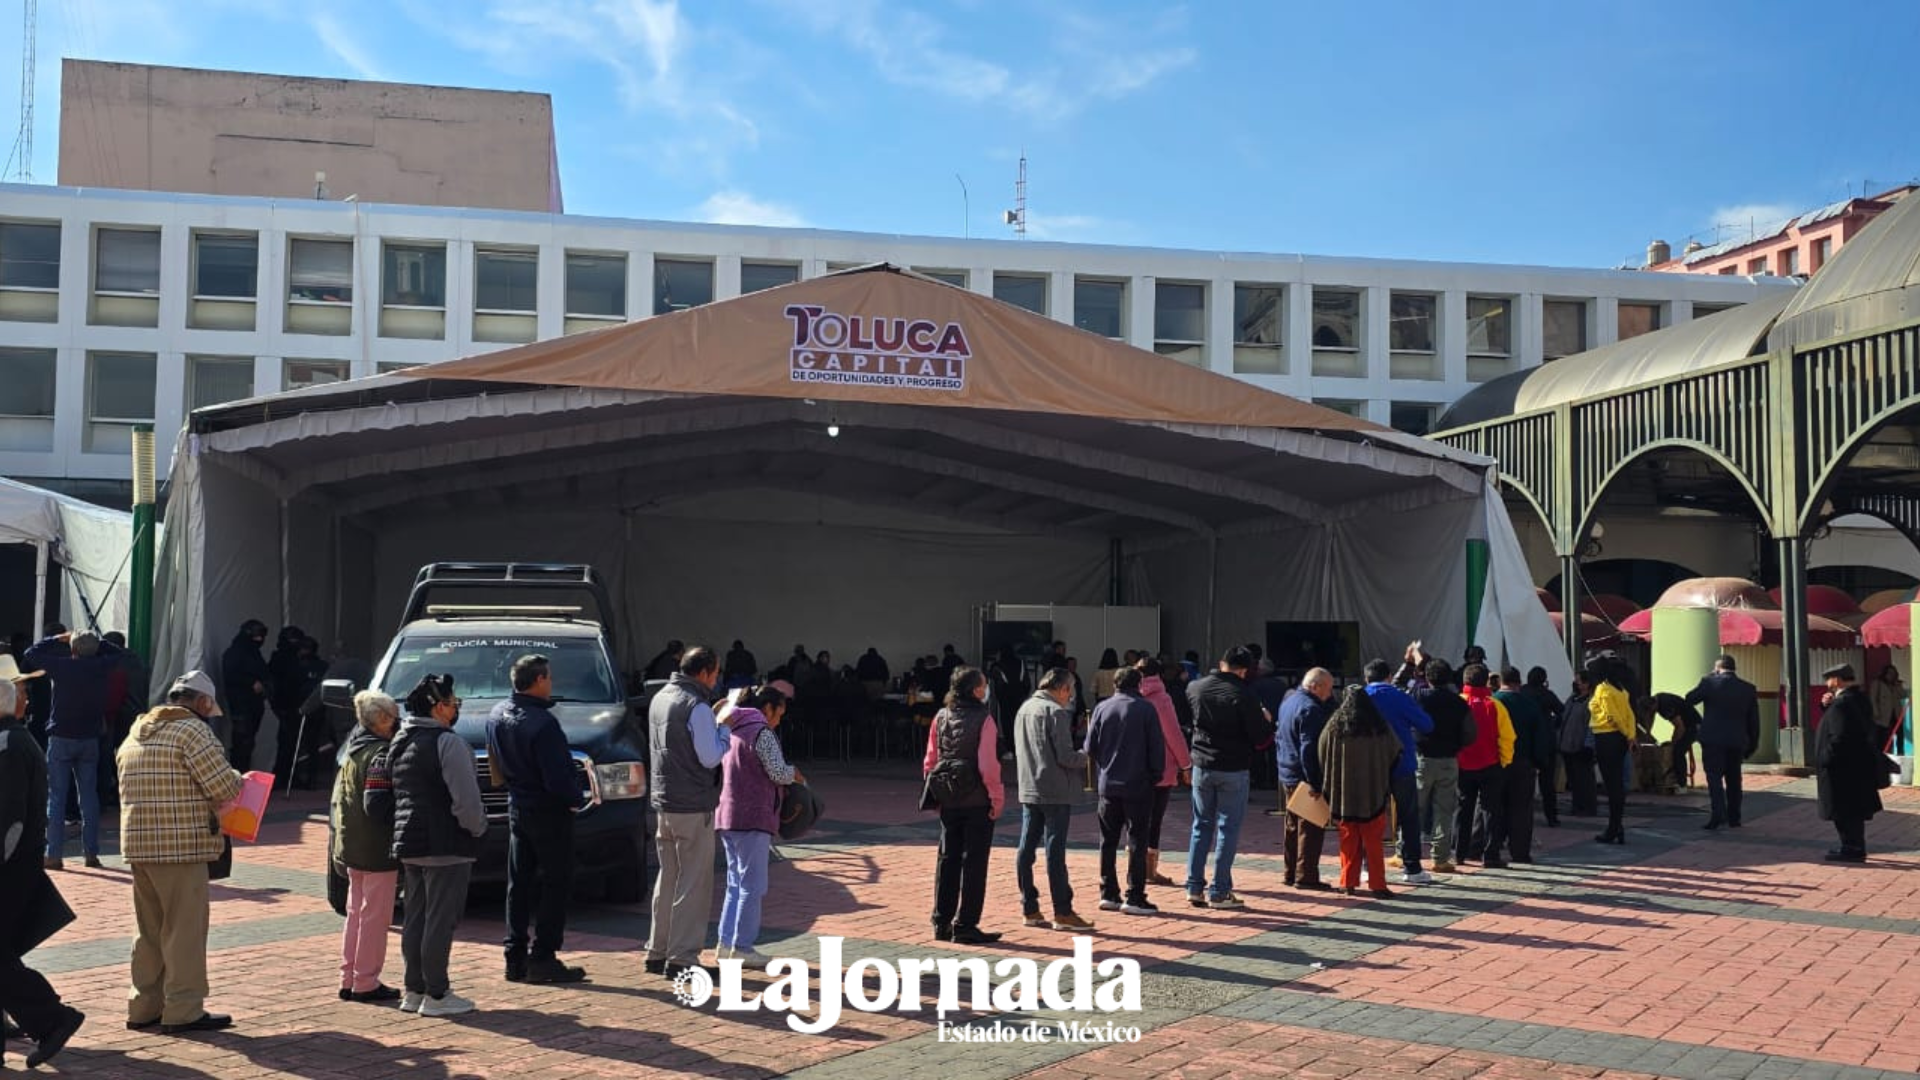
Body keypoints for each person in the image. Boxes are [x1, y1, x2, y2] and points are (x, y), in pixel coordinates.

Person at [118, 670, 244, 1034]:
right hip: (180, 846)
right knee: (184, 931)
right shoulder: (193, 732)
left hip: (139, 845)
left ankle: (143, 1006)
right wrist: (239, 778)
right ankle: (184, 1009)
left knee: (149, 931)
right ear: (203, 702)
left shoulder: (137, 730)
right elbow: (223, 786)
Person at [368, 674, 486, 1016]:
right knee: (440, 920)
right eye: (453, 703)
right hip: (447, 844)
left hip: (409, 840)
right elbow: (466, 800)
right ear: (438, 707)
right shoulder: (448, 743)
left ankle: (414, 989)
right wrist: (477, 829)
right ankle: (437, 993)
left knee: (416, 918)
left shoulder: (400, 741)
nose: (456, 709)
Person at [1, 660, 86, 1069]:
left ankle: (52, 1017)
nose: (26, 697)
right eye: (20, 690)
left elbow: (9, 819)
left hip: (9, 869)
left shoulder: (10, 744)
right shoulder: (11, 740)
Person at [487, 655, 589, 985]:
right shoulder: (543, 724)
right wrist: (575, 799)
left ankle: (514, 955)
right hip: (548, 810)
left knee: (519, 882)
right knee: (555, 882)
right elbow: (558, 777)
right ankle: (543, 955)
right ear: (540, 680)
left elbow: (496, 765)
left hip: (519, 804)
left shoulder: (498, 713)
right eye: (549, 677)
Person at [646, 646, 732, 978]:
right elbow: (710, 756)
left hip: (664, 800)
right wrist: (722, 726)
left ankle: (658, 949)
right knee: (693, 883)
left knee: (668, 877)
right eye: (716, 672)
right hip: (693, 803)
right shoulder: (697, 706)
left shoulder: (661, 697)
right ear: (705, 672)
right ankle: (683, 957)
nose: (717, 679)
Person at [23, 629, 123, 870]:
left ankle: (54, 854)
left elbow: (30, 652)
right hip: (89, 738)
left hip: (61, 737)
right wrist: (98, 643)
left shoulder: (62, 666)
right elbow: (120, 652)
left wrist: (57, 638)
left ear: (73, 650)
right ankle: (91, 853)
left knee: (56, 797)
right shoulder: (102, 665)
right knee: (89, 797)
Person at [715, 683, 801, 960]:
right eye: (778, 714)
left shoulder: (732, 727)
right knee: (752, 885)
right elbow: (777, 772)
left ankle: (725, 943)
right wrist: (794, 774)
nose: (778, 721)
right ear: (768, 709)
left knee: (734, 883)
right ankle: (742, 947)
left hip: (728, 814)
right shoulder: (761, 732)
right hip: (754, 815)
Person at [1184, 646, 1273, 910]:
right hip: (1233, 767)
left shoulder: (1195, 688)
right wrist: (1266, 719)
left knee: (1201, 825)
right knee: (1227, 829)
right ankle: (1220, 890)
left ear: (1222, 663)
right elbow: (1261, 738)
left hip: (1202, 764)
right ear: (1244, 670)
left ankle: (1194, 886)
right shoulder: (1244, 695)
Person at [921, 666, 1004, 944]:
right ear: (976, 690)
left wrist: (936, 792)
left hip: (949, 798)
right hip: (977, 800)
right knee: (975, 862)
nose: (986, 688)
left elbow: (930, 760)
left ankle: (941, 921)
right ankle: (966, 923)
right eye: (983, 684)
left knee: (947, 859)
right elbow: (988, 765)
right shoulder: (985, 719)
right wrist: (996, 797)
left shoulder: (941, 716)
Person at [331, 690, 401, 1003]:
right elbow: (378, 805)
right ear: (383, 719)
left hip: (352, 844)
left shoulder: (353, 751)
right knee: (375, 917)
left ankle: (350, 977)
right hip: (375, 848)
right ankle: (366, 981)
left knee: (355, 913)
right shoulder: (381, 755)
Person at [1013, 668, 1093, 931]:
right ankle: (1063, 910)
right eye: (1070, 690)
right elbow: (1066, 756)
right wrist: (1086, 755)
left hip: (1029, 785)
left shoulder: (1025, 708)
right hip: (1055, 789)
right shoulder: (1055, 712)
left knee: (1026, 849)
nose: (1070, 697)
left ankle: (1030, 907)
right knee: (1054, 852)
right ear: (1062, 689)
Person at [1086, 666, 1165, 916]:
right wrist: (1155, 775)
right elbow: (1156, 748)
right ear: (1139, 684)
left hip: (1108, 784)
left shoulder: (1101, 708)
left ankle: (1108, 892)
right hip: (1138, 784)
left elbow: (1090, 746)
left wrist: (1105, 765)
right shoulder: (1145, 709)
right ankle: (1135, 895)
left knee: (1107, 840)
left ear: (1115, 684)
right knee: (1137, 840)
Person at [1317, 685, 1401, 899]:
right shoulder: (1379, 727)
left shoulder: (1334, 727)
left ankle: (1347, 882)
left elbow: (1321, 751)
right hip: (1373, 791)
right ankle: (1378, 884)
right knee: (1374, 841)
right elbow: (1395, 751)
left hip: (1343, 793)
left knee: (1348, 839)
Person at [1364, 659, 1434, 885]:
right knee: (1408, 816)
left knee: (1369, 817)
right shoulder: (1400, 696)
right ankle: (1412, 867)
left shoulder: (1359, 697)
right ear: (1388, 676)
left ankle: (1367, 866)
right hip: (1401, 763)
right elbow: (1426, 725)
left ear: (1366, 678)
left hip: (1370, 765)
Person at [1816, 664, 1886, 862]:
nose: (1827, 683)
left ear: (1837, 680)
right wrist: (1826, 707)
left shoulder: (1842, 704)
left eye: (1828, 679)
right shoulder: (1858, 698)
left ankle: (1851, 847)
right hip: (1857, 765)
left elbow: (1840, 735)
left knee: (1843, 810)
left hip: (1841, 768)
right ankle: (1855, 845)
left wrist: (1825, 758)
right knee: (1853, 809)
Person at [1684, 655, 1759, 831]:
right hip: (1736, 740)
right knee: (1734, 779)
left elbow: (1689, 698)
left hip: (1713, 739)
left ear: (1717, 668)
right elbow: (1754, 721)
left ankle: (1718, 814)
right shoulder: (1748, 688)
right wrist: (1752, 744)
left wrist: (1708, 679)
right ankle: (1735, 817)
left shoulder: (1709, 683)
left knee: (1714, 777)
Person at [1412, 659, 1474, 874]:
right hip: (1448, 759)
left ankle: (1404, 851)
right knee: (1444, 810)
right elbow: (1470, 734)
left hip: (1422, 757)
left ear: (1427, 677)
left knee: (1414, 807)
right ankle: (1440, 857)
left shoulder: (1418, 697)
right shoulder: (1458, 702)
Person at [1134, 658, 1191, 888]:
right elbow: (1173, 733)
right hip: (1160, 768)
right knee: (1154, 820)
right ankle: (1149, 870)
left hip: (1132, 768)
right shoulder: (1161, 698)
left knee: (1135, 821)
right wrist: (1185, 764)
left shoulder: (1129, 695)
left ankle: (1134, 867)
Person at [1276, 668, 1334, 890]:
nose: (1329, 695)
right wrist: (1315, 782)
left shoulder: (1289, 700)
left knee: (1292, 826)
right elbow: (1308, 749)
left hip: (1287, 771)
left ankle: (1290, 872)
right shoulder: (1310, 709)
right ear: (1315, 686)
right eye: (1327, 689)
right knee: (1309, 828)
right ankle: (1306, 876)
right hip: (1303, 774)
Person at [1456, 664, 1515, 867]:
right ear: (1486, 682)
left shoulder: (1458, 703)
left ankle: (1459, 853)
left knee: (1463, 809)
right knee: (1491, 811)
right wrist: (1504, 761)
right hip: (1490, 764)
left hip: (1462, 766)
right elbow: (1507, 737)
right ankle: (1491, 855)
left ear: (1464, 682)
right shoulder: (1495, 705)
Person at [1495, 667, 1555, 864]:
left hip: (1496, 762)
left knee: (1494, 806)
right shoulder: (1529, 705)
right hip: (1523, 762)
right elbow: (1540, 736)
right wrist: (1539, 761)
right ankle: (1520, 852)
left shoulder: (1493, 702)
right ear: (1518, 683)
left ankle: (1491, 848)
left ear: (1501, 681)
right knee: (1521, 809)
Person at [1587, 660, 1636, 845]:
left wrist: (1626, 733)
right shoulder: (1621, 690)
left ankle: (1613, 828)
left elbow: (1611, 715)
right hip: (1620, 740)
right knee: (1616, 784)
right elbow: (1630, 714)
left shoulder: (1602, 689)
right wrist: (1630, 735)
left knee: (1612, 785)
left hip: (1606, 737)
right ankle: (1617, 826)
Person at [220, 619, 271, 770]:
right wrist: (250, 682)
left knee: (248, 742)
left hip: (254, 704)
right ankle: (237, 776)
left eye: (261, 637)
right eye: (256, 636)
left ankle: (244, 775)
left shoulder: (254, 653)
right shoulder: (235, 652)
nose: (259, 640)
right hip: (240, 704)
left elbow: (263, 672)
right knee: (241, 742)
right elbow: (230, 675)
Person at [1519, 667, 1564, 826]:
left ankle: (1522, 816)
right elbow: (1561, 711)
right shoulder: (1547, 695)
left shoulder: (1521, 693)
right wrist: (1553, 724)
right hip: (1545, 740)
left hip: (1524, 741)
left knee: (1522, 782)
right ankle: (1551, 816)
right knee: (1547, 782)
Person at [1559, 673, 1599, 817]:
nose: (1576, 684)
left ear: (1586, 684)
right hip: (1567, 746)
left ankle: (1588, 807)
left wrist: (1589, 745)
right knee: (1574, 779)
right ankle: (1577, 806)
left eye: (1578, 682)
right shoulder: (1572, 699)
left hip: (1581, 746)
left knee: (1585, 779)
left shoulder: (1591, 702)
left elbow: (1592, 725)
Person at [1650, 692, 1702, 791]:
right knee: (1676, 749)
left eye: (1652, 711)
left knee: (1678, 752)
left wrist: (1673, 743)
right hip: (1688, 725)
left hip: (1694, 726)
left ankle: (1682, 784)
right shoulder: (1658, 699)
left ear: (1654, 705)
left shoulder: (1665, 705)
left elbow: (1680, 727)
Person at [1870, 665, 1906, 751]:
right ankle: (1883, 754)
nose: (1891, 676)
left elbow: (1903, 695)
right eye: (1889, 673)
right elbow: (1873, 698)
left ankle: (1900, 753)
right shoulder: (1878, 683)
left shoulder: (1896, 684)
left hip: (1896, 713)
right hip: (1883, 714)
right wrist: (1876, 712)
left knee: (1900, 735)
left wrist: (1898, 686)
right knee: (1883, 737)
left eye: (1893, 674)